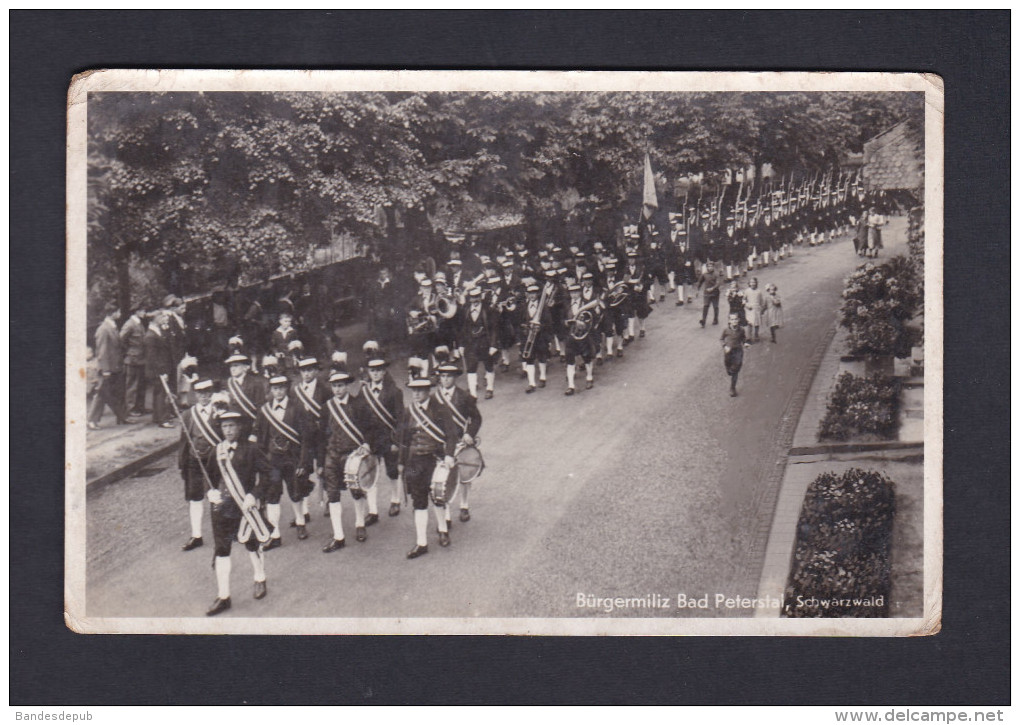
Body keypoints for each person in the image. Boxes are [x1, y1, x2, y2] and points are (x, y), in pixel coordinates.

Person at [204, 410, 271, 616]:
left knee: (251, 544)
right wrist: (211, 492)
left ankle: (260, 577)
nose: (228, 430)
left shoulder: (251, 450)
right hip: (222, 509)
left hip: (246, 507)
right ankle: (224, 596)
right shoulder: (217, 450)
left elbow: (269, 474)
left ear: (240, 427)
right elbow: (210, 478)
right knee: (222, 550)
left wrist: (255, 494)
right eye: (224, 426)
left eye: (232, 426)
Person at [320, 370, 384, 552]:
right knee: (332, 494)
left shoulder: (359, 405)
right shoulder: (327, 407)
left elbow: (372, 428)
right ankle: (338, 536)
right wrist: (319, 462)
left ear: (347, 386)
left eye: (341, 385)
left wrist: (366, 444)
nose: (338, 389)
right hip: (332, 455)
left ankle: (359, 523)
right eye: (334, 386)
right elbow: (321, 436)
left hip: (353, 455)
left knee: (357, 491)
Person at [398, 377, 460, 558]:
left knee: (438, 497)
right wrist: (401, 463)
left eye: (420, 390)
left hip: (435, 460)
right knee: (418, 500)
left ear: (427, 391)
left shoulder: (440, 409)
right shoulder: (409, 411)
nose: (416, 394)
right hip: (415, 463)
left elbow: (451, 435)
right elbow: (403, 440)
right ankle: (421, 542)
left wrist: (449, 455)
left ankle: (443, 530)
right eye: (413, 390)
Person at [254, 375, 313, 549]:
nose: (278, 391)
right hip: (273, 461)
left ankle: (301, 523)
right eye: (275, 388)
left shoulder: (297, 408)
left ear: (286, 388)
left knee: (296, 492)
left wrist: (303, 462)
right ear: (270, 390)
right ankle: (275, 534)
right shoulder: (265, 411)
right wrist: (261, 462)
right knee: (272, 495)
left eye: (281, 388)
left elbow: (305, 438)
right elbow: (261, 439)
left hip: (292, 458)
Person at [433, 364, 482, 524]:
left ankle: (464, 505)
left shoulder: (464, 396)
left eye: (449, 376)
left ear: (454, 378)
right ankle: (446, 513)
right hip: (442, 443)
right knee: (443, 478)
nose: (445, 379)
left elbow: (476, 418)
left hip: (461, 442)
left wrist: (469, 433)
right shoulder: (434, 398)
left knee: (465, 475)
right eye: (443, 376)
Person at [178, 379, 221, 552]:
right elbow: (184, 441)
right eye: (201, 393)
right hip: (194, 462)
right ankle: (196, 536)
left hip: (214, 462)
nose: (204, 396)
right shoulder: (189, 415)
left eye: (207, 393)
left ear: (212, 393)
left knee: (217, 496)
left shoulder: (220, 411)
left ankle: (222, 532)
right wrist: (182, 464)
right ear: (195, 395)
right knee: (195, 498)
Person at [362, 356, 404, 517]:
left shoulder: (394, 392)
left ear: (384, 371)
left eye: (379, 370)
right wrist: (364, 441)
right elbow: (361, 418)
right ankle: (373, 510)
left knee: (392, 471)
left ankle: (395, 500)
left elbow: (400, 420)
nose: (376, 373)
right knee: (370, 473)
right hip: (371, 440)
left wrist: (396, 442)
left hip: (389, 439)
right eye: (372, 370)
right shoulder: (364, 392)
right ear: (368, 372)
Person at [291, 357, 330, 527]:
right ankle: (304, 510)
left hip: (321, 437)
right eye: (303, 370)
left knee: (325, 470)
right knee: (302, 472)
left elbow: (330, 414)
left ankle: (329, 500)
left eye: (309, 370)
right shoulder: (295, 390)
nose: (306, 373)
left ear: (315, 371)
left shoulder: (325, 390)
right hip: (303, 439)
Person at [88, 302, 132, 429]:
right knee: (102, 394)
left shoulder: (112, 327)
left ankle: (122, 417)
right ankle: (92, 420)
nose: (119, 314)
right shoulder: (103, 329)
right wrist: (106, 369)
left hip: (116, 367)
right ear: (112, 313)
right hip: (108, 369)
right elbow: (102, 351)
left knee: (116, 392)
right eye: (118, 312)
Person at [459, 287, 499, 399]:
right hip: (470, 344)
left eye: (477, 297)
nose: (475, 299)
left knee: (488, 366)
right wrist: (461, 344)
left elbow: (494, 329)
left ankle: (490, 389)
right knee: (471, 368)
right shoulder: (466, 310)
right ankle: (473, 394)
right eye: (472, 297)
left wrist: (493, 345)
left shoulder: (488, 310)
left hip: (485, 343)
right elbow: (463, 329)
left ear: (480, 297)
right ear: (469, 299)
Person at [518, 283, 553, 393]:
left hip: (540, 336)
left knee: (542, 356)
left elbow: (549, 322)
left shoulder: (543, 307)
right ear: (527, 295)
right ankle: (531, 383)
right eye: (530, 293)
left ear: (537, 294)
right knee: (529, 359)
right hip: (527, 336)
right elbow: (520, 321)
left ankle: (542, 377)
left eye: (534, 293)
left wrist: (541, 327)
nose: (532, 295)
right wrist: (524, 327)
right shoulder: (523, 306)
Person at [223, 353, 266, 440]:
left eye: (236, 365)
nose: (233, 369)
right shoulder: (227, 384)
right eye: (231, 366)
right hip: (233, 429)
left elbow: (261, 409)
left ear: (245, 367)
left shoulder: (255, 383)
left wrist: (255, 432)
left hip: (250, 427)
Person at [144, 312, 176, 428]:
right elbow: (153, 357)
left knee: (158, 392)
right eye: (161, 316)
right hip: (157, 370)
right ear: (155, 318)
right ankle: (163, 419)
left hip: (158, 368)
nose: (163, 318)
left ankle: (157, 417)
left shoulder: (156, 331)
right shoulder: (150, 336)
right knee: (161, 393)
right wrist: (162, 371)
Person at [120, 304, 149, 416]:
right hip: (133, 359)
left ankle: (140, 407)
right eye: (142, 310)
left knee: (142, 384)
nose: (144, 312)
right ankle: (131, 409)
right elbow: (121, 339)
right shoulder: (130, 324)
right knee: (132, 385)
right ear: (136, 312)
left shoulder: (139, 323)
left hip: (141, 358)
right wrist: (129, 351)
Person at [721, 313, 750, 397]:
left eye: (735, 319)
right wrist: (725, 346)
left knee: (735, 370)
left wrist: (745, 343)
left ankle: (732, 388)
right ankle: (728, 369)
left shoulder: (741, 330)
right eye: (732, 319)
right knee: (728, 366)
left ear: (738, 320)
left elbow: (743, 338)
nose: (734, 321)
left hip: (738, 351)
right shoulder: (726, 330)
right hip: (728, 351)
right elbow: (721, 339)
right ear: (729, 321)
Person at [696, 261, 723, 327]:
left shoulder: (716, 274)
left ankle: (715, 319)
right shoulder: (704, 274)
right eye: (708, 266)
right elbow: (700, 282)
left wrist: (713, 288)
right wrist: (697, 290)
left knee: (715, 306)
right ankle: (703, 321)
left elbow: (718, 283)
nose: (710, 268)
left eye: (711, 266)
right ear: (707, 267)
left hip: (715, 293)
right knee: (706, 306)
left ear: (713, 267)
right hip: (707, 293)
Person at [742, 277, 764, 343]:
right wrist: (746, 305)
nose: (753, 284)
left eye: (754, 282)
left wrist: (761, 309)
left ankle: (756, 335)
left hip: (757, 309)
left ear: (756, 283)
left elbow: (761, 301)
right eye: (751, 282)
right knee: (749, 323)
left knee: (756, 323)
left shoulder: (759, 291)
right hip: (750, 309)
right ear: (749, 283)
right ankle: (749, 337)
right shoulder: (747, 291)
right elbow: (743, 300)